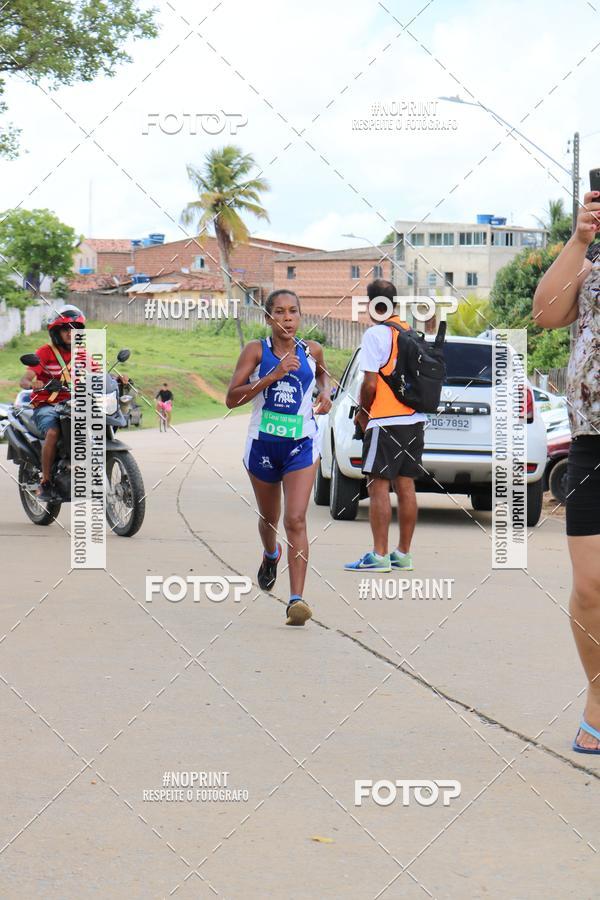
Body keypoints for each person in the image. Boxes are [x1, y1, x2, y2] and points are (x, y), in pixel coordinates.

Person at [533, 189, 600, 754]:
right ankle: (598, 701)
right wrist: (580, 239)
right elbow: (546, 312)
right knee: (591, 584)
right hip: (593, 441)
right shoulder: (589, 264)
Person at [226, 289, 332, 625]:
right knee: (269, 518)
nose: (287, 318)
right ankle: (271, 553)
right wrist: (272, 376)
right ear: (268, 318)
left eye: (293, 312)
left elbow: (322, 374)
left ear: (300, 316)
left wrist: (326, 393)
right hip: (263, 444)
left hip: (301, 443)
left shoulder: (312, 350)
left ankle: (296, 601)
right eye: (280, 312)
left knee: (296, 520)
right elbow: (231, 399)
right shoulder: (256, 351)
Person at [344, 279, 426, 573]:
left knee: (377, 486)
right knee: (406, 486)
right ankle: (403, 554)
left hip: (385, 421)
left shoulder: (375, 334)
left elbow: (369, 384)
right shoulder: (409, 331)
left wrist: (363, 414)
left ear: (371, 304)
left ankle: (379, 556)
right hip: (414, 421)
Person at [19, 305, 87, 501]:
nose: (70, 333)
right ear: (56, 332)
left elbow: (98, 374)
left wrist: (117, 380)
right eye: (66, 329)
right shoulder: (45, 352)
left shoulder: (82, 354)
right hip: (47, 406)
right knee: (53, 432)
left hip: (73, 405)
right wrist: (34, 383)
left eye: (75, 329)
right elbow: (25, 379)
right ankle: (46, 481)